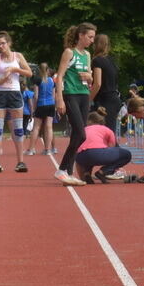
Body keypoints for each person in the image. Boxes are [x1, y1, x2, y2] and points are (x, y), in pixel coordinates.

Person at [54, 23, 97, 187]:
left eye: (93, 37)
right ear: (81, 35)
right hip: (71, 94)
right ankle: (62, 169)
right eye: (90, 37)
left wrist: (89, 77)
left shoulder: (87, 54)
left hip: (84, 95)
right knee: (81, 134)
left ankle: (68, 173)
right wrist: (59, 99)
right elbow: (59, 76)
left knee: (77, 135)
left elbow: (90, 78)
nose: (92, 41)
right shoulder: (69, 52)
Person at [0, 31, 33, 174]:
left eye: (3, 43)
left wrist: (15, 69)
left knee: (18, 129)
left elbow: (29, 72)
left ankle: (20, 162)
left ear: (9, 43)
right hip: (0, 94)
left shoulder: (18, 56)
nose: (0, 46)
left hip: (14, 94)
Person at [75, 107, 132, 184]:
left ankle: (86, 174)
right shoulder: (107, 130)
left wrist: (81, 177)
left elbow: (76, 148)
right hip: (99, 154)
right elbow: (112, 147)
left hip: (82, 156)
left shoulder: (83, 129)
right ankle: (103, 171)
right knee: (127, 154)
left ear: (89, 121)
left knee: (88, 155)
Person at [89, 33, 122, 132]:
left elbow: (98, 83)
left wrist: (88, 99)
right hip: (114, 98)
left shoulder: (97, 61)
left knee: (104, 131)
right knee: (109, 131)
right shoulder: (111, 61)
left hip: (105, 100)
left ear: (96, 45)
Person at [26, 62, 56, 156]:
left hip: (41, 104)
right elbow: (53, 95)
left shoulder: (38, 81)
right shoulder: (52, 81)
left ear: (39, 70)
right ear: (48, 70)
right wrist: (54, 106)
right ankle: (48, 149)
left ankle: (31, 149)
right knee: (49, 127)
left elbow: (36, 96)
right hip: (51, 105)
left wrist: (34, 108)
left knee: (36, 127)